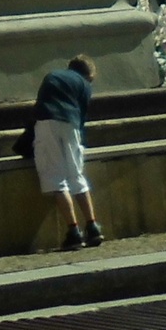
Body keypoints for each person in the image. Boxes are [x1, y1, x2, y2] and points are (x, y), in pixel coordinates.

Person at [33, 56, 104, 251]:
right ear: (88, 75)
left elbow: (39, 106)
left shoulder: (53, 76)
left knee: (56, 177)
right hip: (71, 124)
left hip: (48, 122)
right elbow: (82, 116)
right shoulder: (85, 86)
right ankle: (93, 226)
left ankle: (73, 231)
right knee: (76, 174)